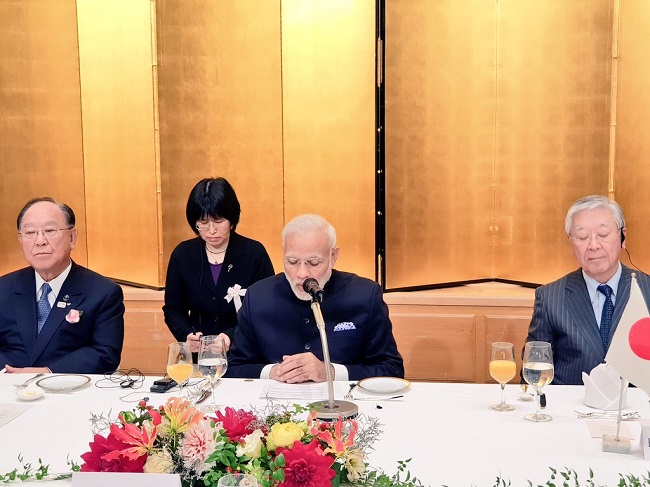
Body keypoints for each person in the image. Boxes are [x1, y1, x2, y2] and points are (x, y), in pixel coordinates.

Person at [226, 214, 404, 382]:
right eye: (292, 261)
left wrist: (331, 372)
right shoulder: (257, 296)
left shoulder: (365, 295)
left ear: (333, 257)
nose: (302, 273)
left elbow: (391, 370)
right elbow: (235, 368)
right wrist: (273, 372)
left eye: (314, 263)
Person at [525, 195, 650, 385]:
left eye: (603, 235)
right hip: (570, 410)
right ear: (571, 245)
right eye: (582, 237)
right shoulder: (550, 297)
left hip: (634, 410)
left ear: (623, 237)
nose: (593, 245)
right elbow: (533, 374)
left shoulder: (646, 289)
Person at [0, 197, 124, 374]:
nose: (40, 241)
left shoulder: (103, 292)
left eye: (50, 230)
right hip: (8, 390)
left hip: (71, 391)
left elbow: (104, 354)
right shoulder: (3, 289)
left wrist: (47, 372)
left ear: (72, 237)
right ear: (20, 240)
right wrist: (9, 373)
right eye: (30, 233)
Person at [163, 177, 274, 353]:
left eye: (219, 221)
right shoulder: (183, 254)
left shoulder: (254, 253)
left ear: (232, 219)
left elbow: (265, 308)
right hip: (201, 354)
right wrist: (187, 335)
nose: (211, 230)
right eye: (203, 223)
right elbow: (173, 308)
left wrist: (231, 335)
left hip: (245, 351)